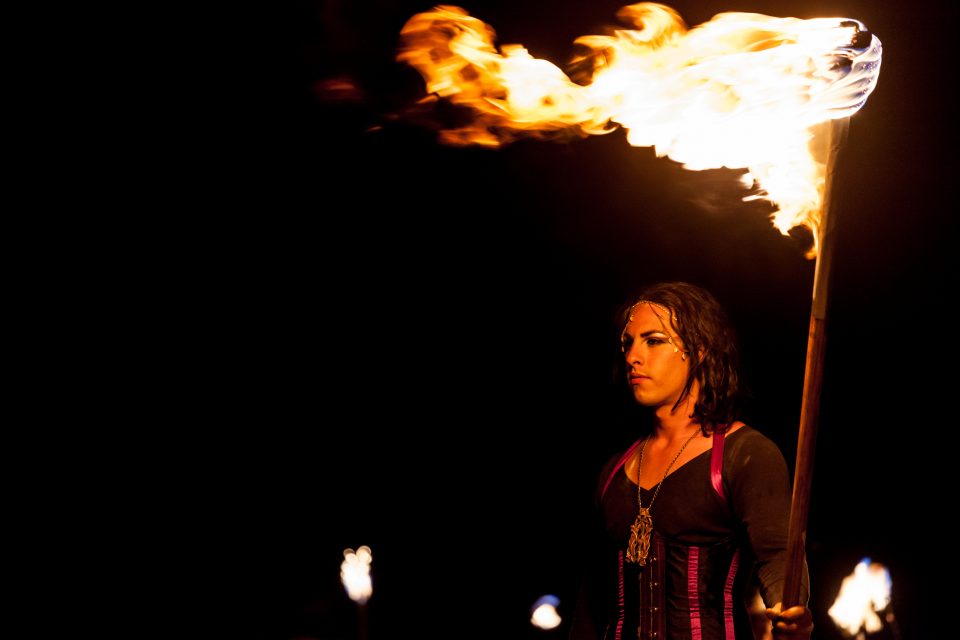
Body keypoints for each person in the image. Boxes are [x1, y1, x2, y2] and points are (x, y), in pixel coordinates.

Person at [569, 282, 813, 640]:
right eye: (628, 343)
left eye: (653, 340)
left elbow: (778, 557)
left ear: (698, 350)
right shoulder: (612, 472)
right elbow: (591, 604)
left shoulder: (744, 453)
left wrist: (791, 611)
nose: (633, 356)